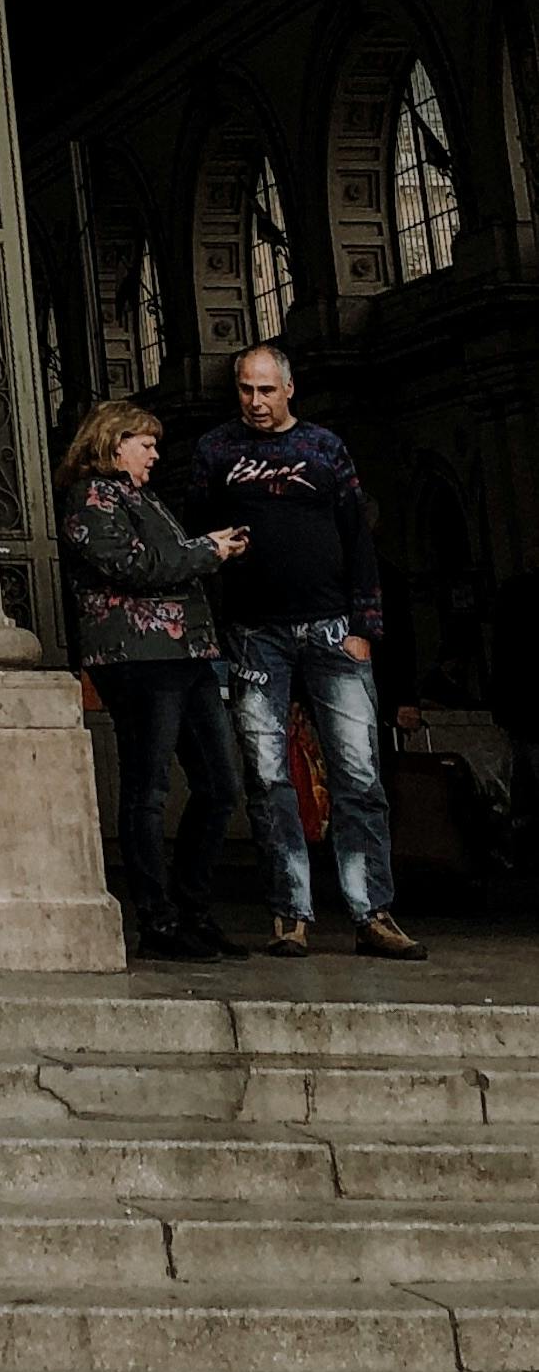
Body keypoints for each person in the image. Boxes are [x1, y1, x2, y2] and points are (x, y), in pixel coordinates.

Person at [182, 341, 427, 962]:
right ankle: (289, 914)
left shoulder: (325, 448)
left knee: (359, 776)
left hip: (332, 629)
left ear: (289, 389)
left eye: (266, 390)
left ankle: (372, 912)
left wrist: (364, 626)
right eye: (245, 390)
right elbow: (196, 541)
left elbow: (359, 541)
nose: (256, 402)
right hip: (254, 635)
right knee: (267, 778)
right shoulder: (214, 452)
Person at [56, 398, 251, 961]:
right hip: (136, 656)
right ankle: (158, 921)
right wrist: (205, 550)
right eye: (146, 444)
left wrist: (203, 550)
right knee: (147, 789)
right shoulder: (91, 497)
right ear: (114, 443)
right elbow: (134, 566)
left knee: (219, 785)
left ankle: (192, 908)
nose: (155, 454)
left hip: (186, 652)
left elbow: (166, 558)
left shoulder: (141, 497)